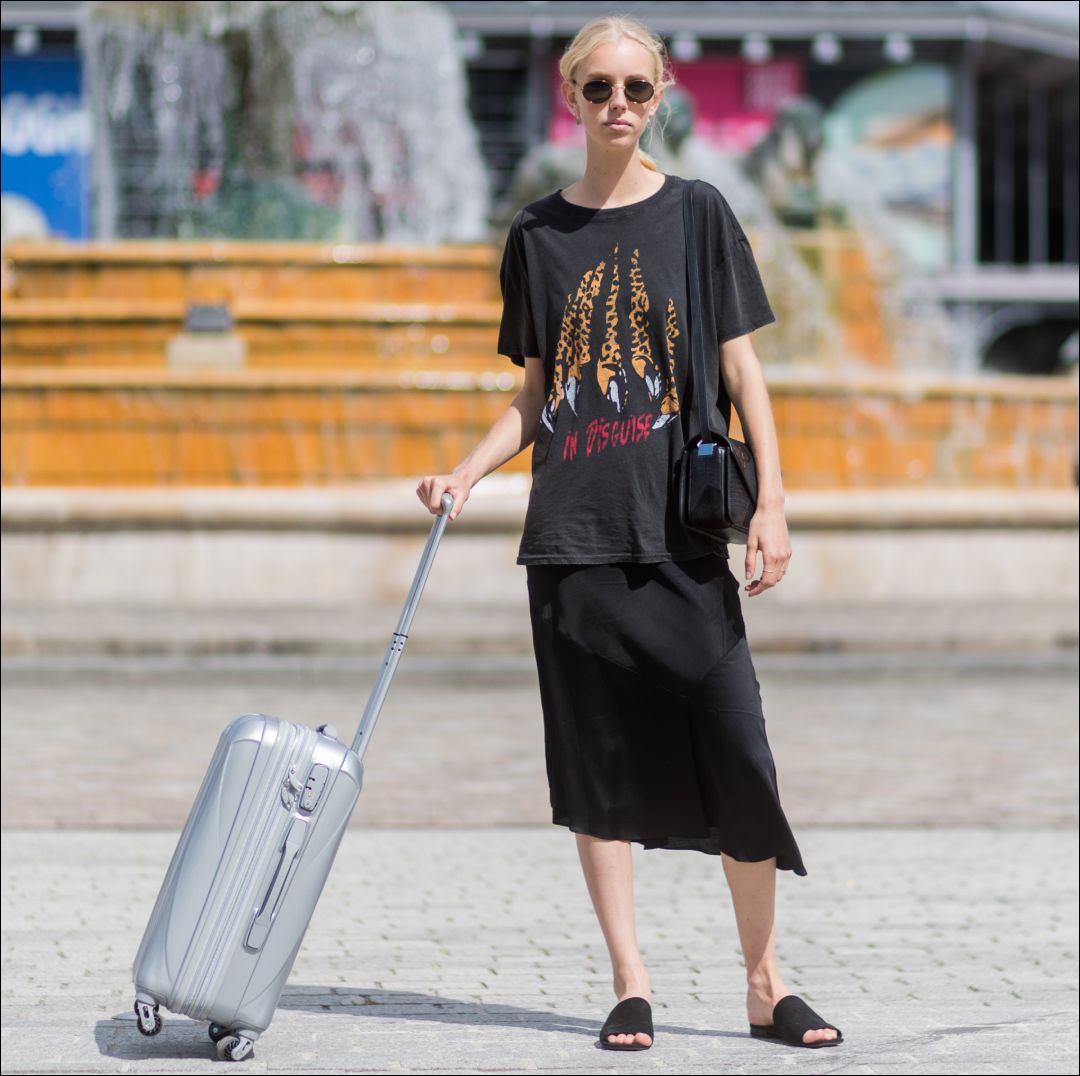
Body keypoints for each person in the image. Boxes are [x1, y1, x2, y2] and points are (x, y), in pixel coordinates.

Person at [416, 13, 842, 1054]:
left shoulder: (698, 214)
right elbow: (536, 392)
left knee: (737, 744)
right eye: (599, 87)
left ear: (660, 96)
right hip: (573, 536)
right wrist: (468, 471)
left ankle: (764, 980)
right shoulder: (536, 234)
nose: (617, 105)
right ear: (571, 94)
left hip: (684, 532)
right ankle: (630, 979)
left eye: (636, 89)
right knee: (597, 766)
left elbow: (744, 372)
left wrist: (773, 501)